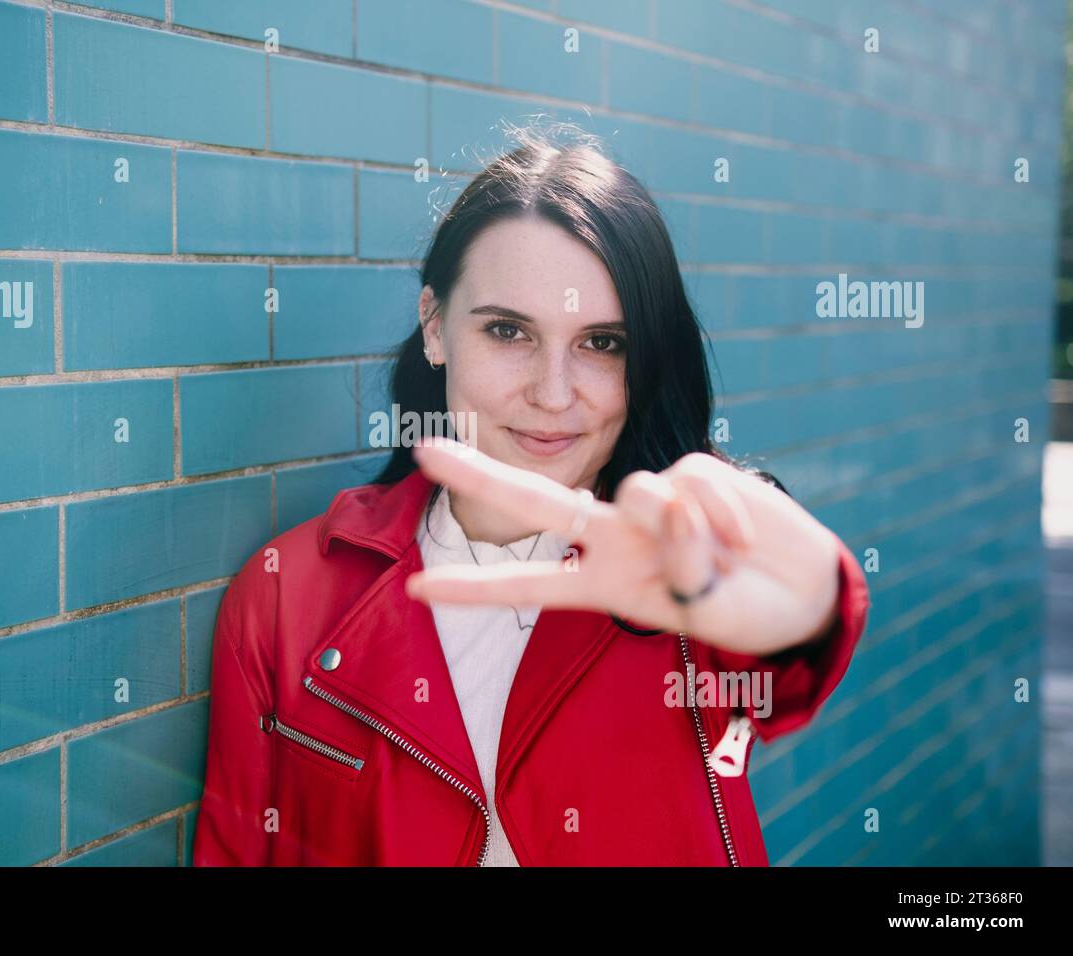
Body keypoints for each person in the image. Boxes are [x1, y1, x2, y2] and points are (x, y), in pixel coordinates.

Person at [191, 124, 871, 866]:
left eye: (601, 343)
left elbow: (789, 655)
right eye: (510, 330)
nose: (554, 394)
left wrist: (813, 603)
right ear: (435, 326)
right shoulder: (286, 593)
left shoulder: (683, 572)